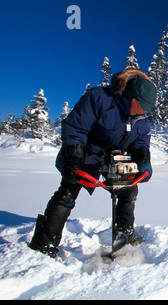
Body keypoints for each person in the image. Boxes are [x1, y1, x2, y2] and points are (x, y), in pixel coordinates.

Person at [29, 69, 156, 258]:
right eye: (141, 106)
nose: (143, 112)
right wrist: (74, 158)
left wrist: (144, 159)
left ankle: (124, 238)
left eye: (147, 108)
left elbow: (141, 139)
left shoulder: (141, 118)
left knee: (128, 190)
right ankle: (44, 245)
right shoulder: (99, 98)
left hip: (116, 158)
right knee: (68, 192)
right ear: (131, 97)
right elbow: (75, 127)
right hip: (87, 153)